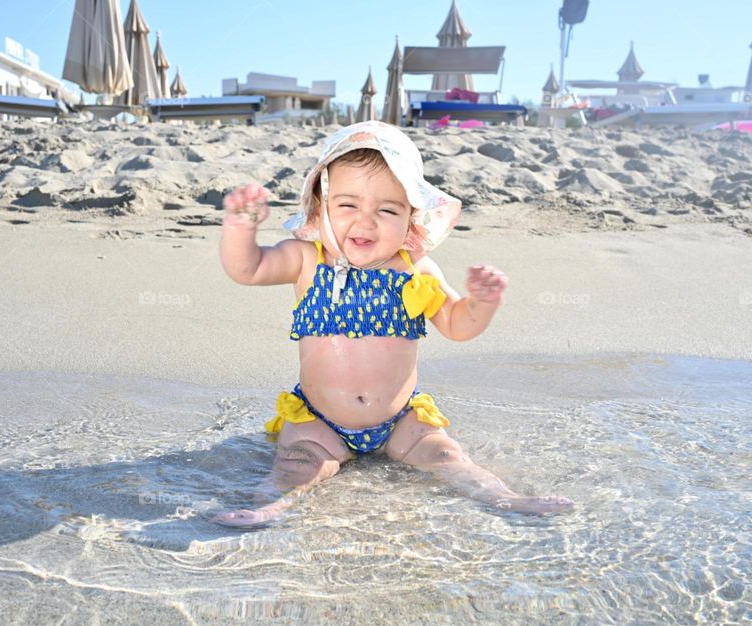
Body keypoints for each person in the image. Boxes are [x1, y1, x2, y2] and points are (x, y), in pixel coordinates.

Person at [215, 121, 572, 527]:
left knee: (446, 456)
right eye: (348, 206)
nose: (366, 223)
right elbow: (248, 268)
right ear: (320, 208)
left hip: (401, 419)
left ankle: (502, 497)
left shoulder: (414, 268)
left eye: (387, 210)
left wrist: (481, 302)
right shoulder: (305, 260)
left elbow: (457, 325)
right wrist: (240, 228)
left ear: (411, 218)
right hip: (320, 421)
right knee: (298, 464)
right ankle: (270, 505)